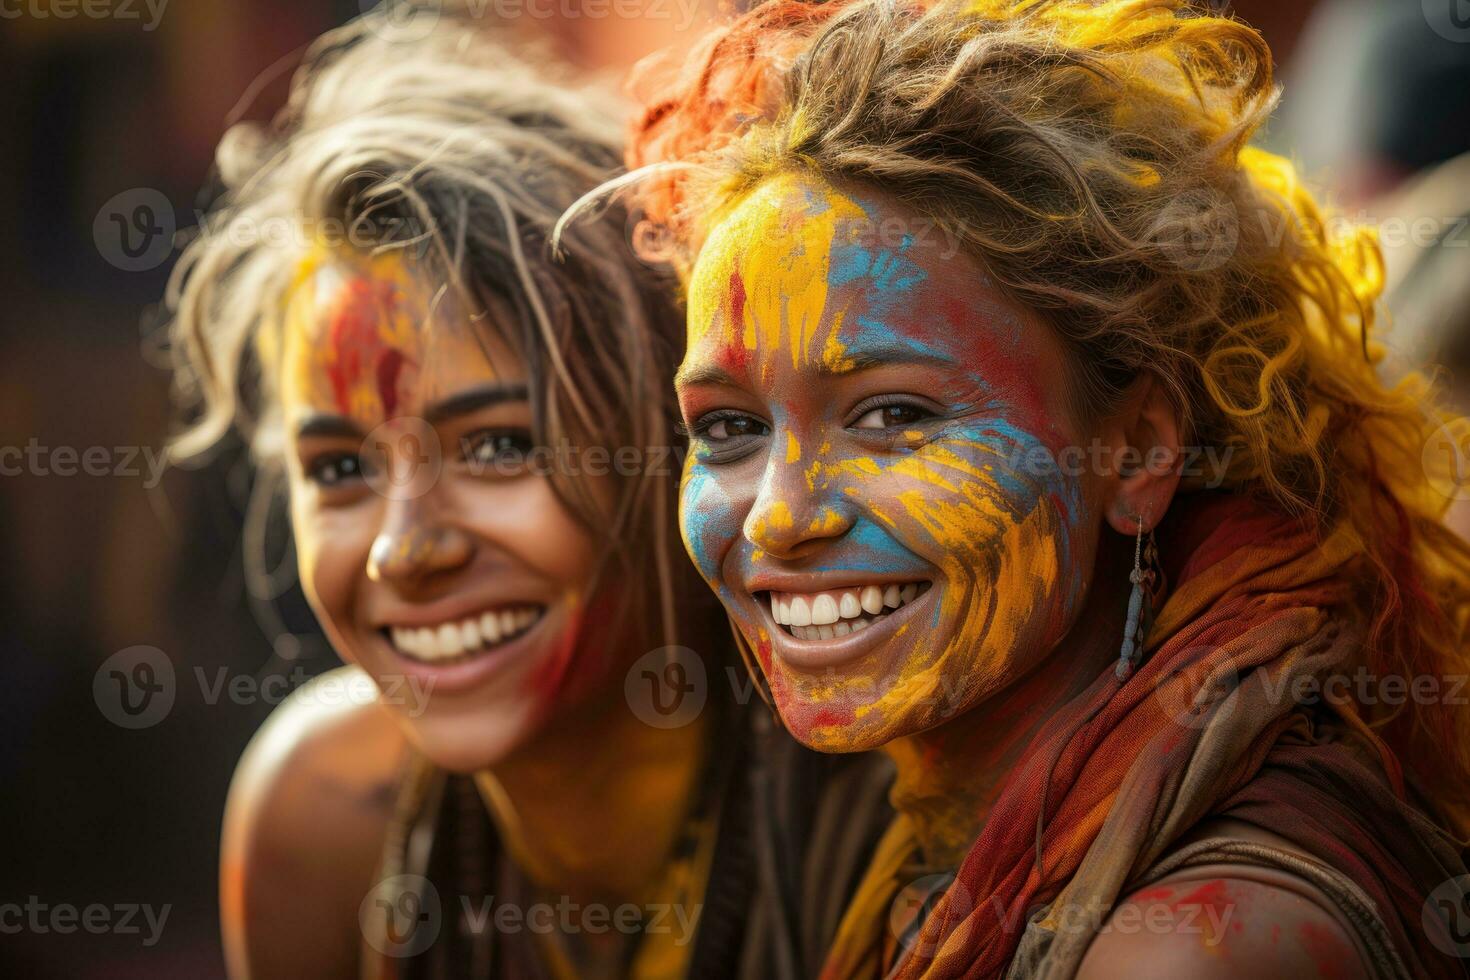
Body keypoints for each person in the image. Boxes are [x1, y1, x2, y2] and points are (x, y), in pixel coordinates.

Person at [596, 0, 1470, 975]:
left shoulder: (1188, 947)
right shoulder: (929, 834)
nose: (781, 515)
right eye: (730, 427)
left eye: (891, 416)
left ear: (1136, 450)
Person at [163, 10, 890, 978]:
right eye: (341, 468)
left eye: (499, 445)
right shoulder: (326, 823)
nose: (404, 549)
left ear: (678, 438)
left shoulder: (898, 834)